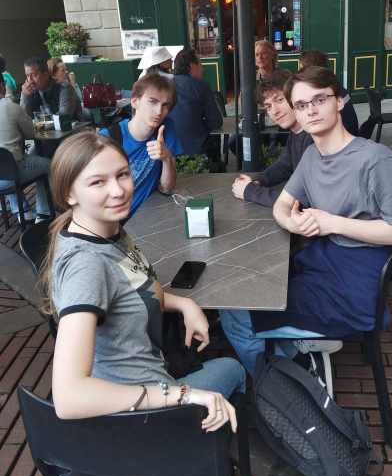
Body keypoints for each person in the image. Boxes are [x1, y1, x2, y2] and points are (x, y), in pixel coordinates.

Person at [220, 67, 392, 374]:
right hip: (319, 264)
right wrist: (292, 223)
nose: (311, 110)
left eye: (320, 99)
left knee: (233, 312)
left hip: (351, 288)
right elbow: (283, 205)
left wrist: (332, 223)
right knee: (246, 285)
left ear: (339, 101)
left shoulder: (377, 161)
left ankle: (285, 385)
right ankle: (298, 358)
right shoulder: (312, 156)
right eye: (301, 105)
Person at [40, 131, 244, 434]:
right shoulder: (87, 266)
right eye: (97, 182)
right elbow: (69, 398)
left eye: (122, 174)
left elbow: (137, 287)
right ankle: (205, 450)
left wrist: (184, 303)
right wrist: (184, 394)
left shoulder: (108, 230)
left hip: (153, 376)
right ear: (69, 194)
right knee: (234, 368)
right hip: (140, 416)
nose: (118, 190)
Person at [99, 73, 182, 217]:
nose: (159, 111)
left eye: (165, 105)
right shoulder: (108, 138)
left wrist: (167, 158)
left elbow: (167, 188)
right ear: (134, 101)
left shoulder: (166, 129)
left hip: (147, 217)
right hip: (113, 221)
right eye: (152, 102)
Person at [232, 69, 312, 207]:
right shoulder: (297, 132)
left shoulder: (315, 138)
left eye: (279, 100)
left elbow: (302, 203)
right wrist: (259, 181)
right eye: (268, 106)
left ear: (296, 98)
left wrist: (250, 191)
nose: (274, 111)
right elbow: (284, 165)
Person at [0, 75, 52, 223]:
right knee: (50, 165)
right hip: (13, 173)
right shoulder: (11, 107)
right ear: (2, 86)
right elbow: (32, 133)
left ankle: (22, 210)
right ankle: (44, 212)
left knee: (6, 163)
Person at [169, 47, 223, 156]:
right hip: (196, 151)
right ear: (192, 66)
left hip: (169, 151)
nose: (203, 69)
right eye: (200, 64)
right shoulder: (201, 86)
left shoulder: (165, 85)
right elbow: (216, 122)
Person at [299, 50, 359, 135]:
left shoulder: (324, 89)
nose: (299, 71)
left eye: (301, 68)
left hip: (341, 136)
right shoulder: (330, 82)